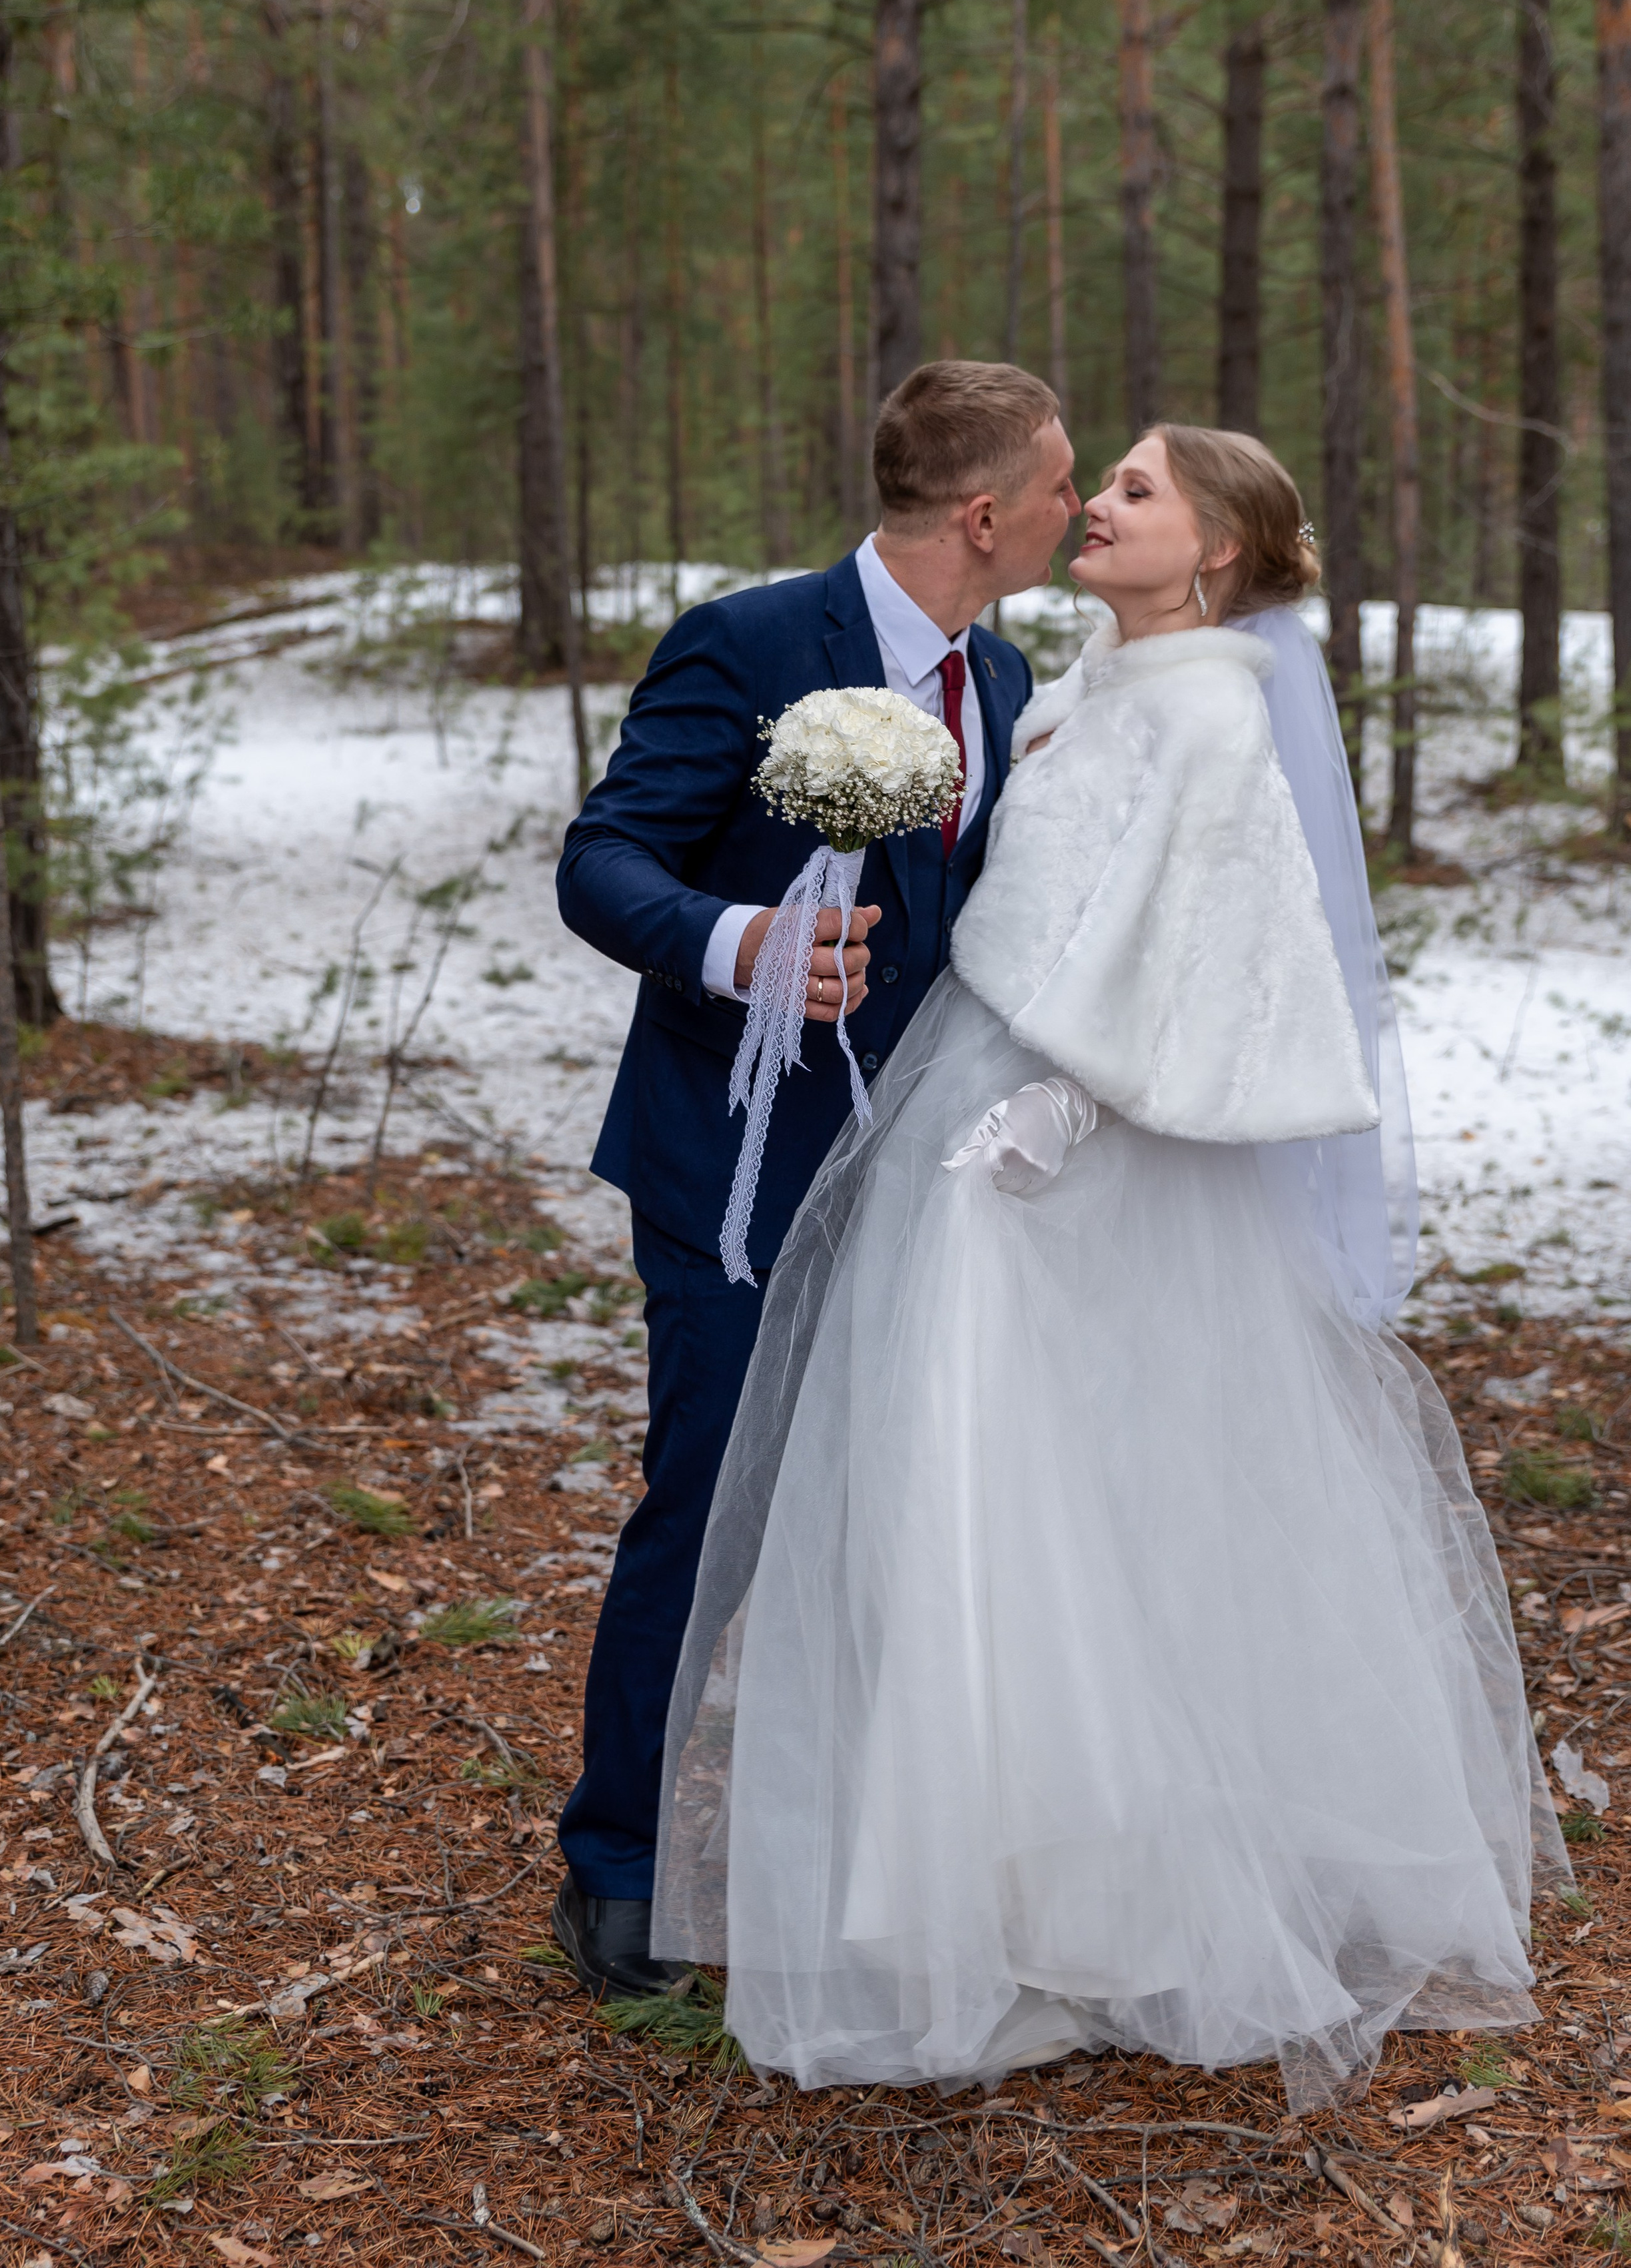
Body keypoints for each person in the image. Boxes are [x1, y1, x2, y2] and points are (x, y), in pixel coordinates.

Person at [654, 424, 1568, 2112]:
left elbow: (1213, 949)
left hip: (1068, 1152)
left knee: (1065, 1501)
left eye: (1138, 489)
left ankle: (1100, 1894)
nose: (1097, 507)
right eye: (1100, 480)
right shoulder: (1074, 675)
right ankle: (981, 1884)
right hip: (977, 1117)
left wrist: (1066, 1106)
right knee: (974, 1497)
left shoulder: (1215, 706)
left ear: (1216, 550)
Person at [551, 362, 1081, 1996]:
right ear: (984, 513)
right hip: (733, 1156)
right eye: (1061, 483)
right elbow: (602, 857)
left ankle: (845, 1837)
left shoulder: (999, 673)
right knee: (707, 1504)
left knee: (892, 1508)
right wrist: (743, 940)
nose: (1077, 507)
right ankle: (619, 1858)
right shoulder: (754, 640)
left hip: (920, 1174)